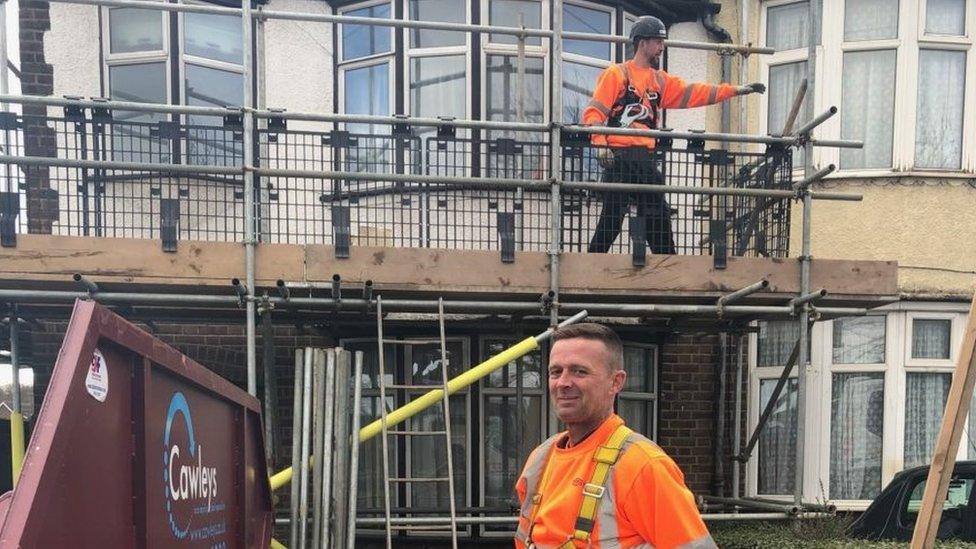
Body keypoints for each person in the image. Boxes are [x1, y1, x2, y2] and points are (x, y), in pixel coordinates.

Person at [514, 323, 715, 549]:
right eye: (556, 371)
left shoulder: (642, 465)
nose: (563, 383)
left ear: (616, 382)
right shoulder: (541, 459)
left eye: (580, 371)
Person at [582, 15, 765, 255]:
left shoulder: (659, 80)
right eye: (658, 41)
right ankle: (596, 260)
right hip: (620, 157)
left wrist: (734, 90)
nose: (661, 47)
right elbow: (594, 113)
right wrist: (600, 144)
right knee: (614, 215)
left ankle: (668, 261)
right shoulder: (617, 74)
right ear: (643, 42)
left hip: (643, 158)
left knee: (656, 213)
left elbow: (695, 92)